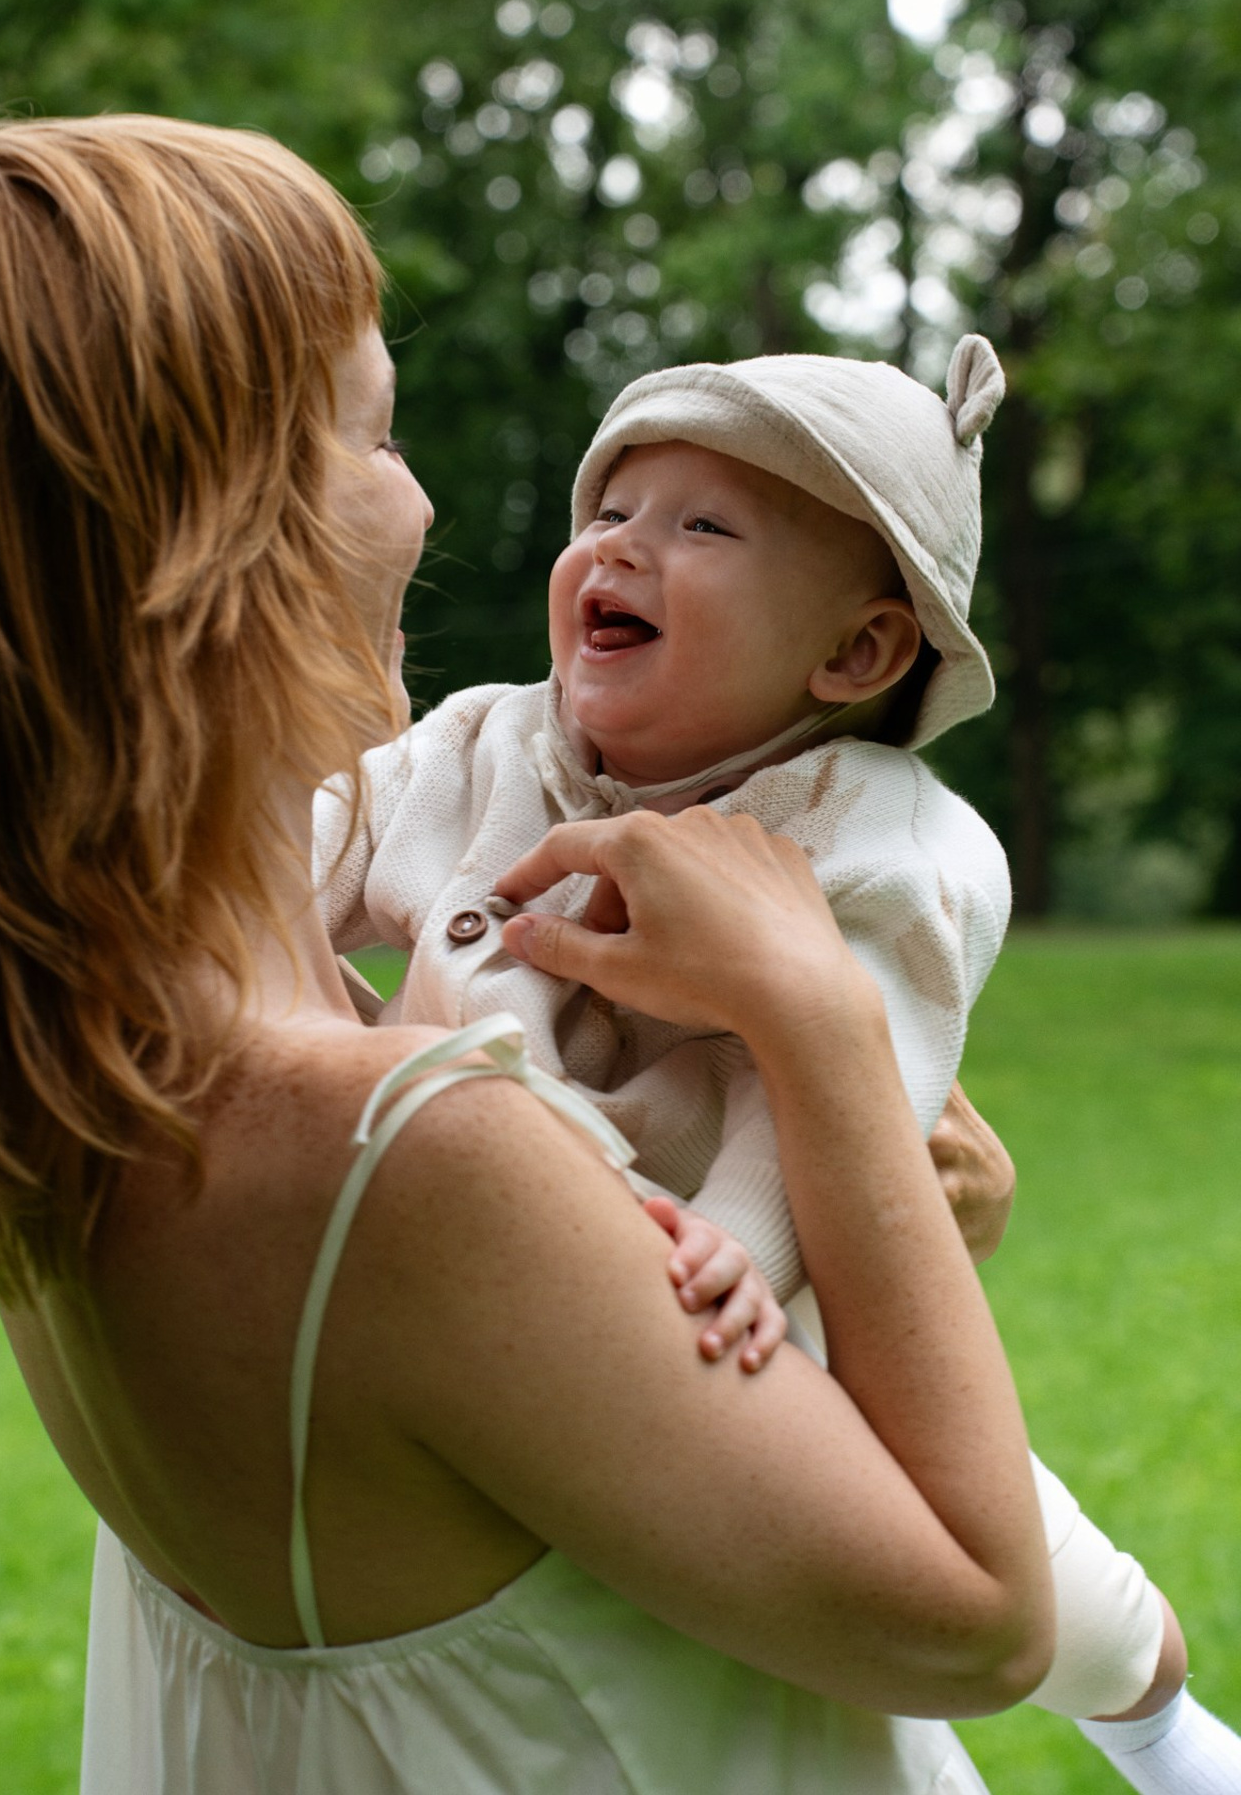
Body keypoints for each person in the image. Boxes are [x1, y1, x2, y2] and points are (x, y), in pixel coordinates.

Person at [0, 112, 1052, 1794]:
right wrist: (825, 1038)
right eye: (375, 437)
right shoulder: (414, 1157)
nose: (425, 502)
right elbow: (980, 1619)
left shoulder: (79, 1040)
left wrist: (867, 1193)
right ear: (212, 530)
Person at [317, 346, 1241, 1793]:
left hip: (765, 1307)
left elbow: (836, 1077)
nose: (621, 543)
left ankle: (1164, 1729)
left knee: (1049, 1586)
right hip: (505, 1241)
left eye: (702, 526)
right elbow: (339, 830)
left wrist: (737, 1244)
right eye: (610, 508)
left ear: (856, 655)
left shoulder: (875, 841)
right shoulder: (489, 741)